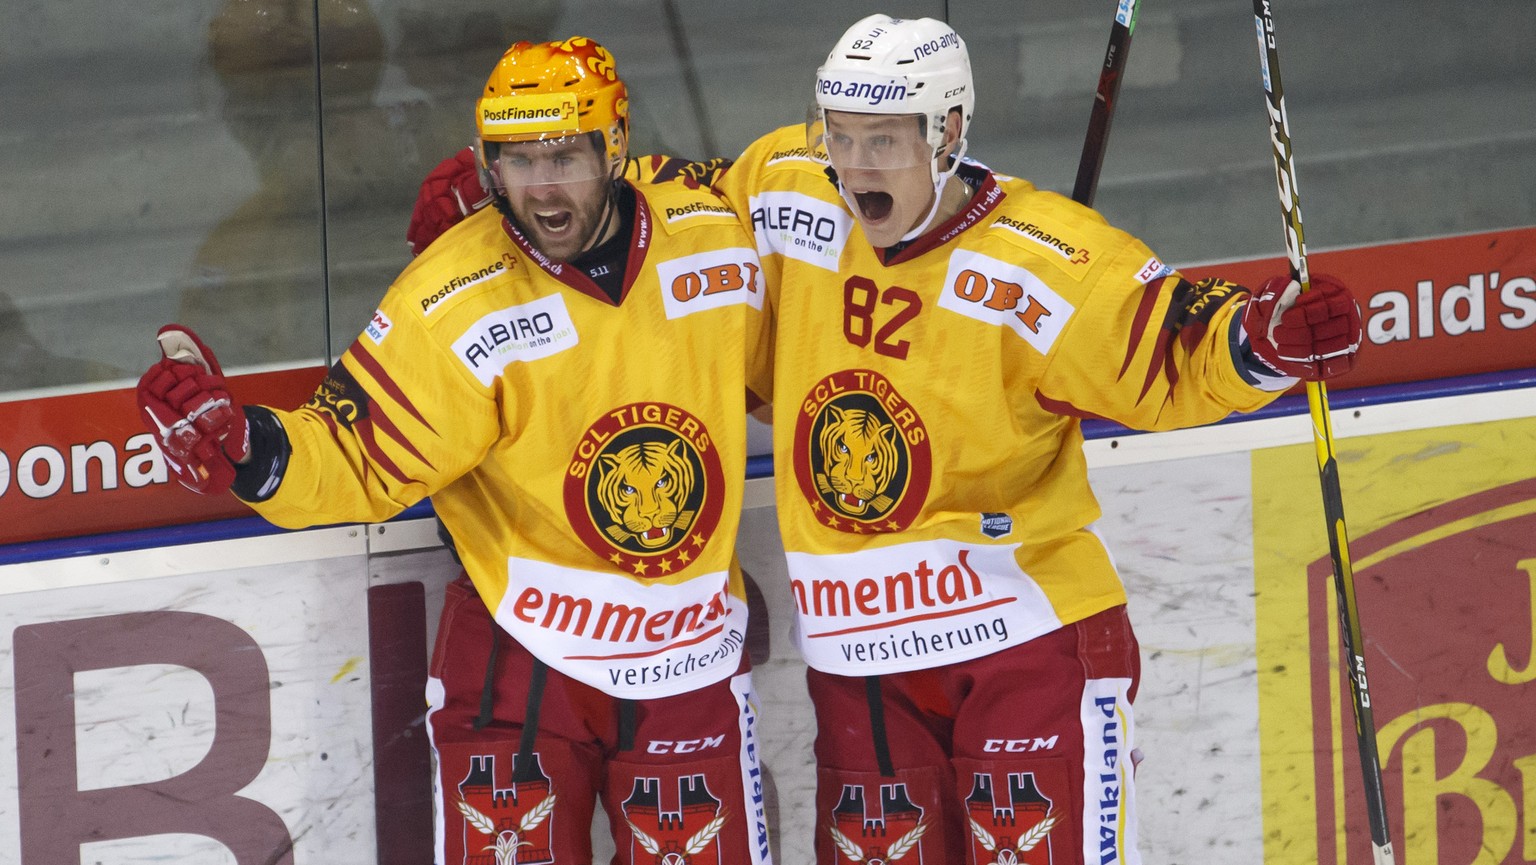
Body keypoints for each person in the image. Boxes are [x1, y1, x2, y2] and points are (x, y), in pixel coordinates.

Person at [403, 15, 1363, 864]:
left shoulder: (1042, 255)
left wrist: (1265, 340)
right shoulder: (787, 188)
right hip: (864, 664)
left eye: (883, 140)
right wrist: (511, 207)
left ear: (947, 134)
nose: (855, 162)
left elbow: (1164, 337)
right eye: (842, 135)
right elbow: (668, 208)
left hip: (1022, 637)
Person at [137, 37, 775, 865]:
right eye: (516, 162)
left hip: (689, 659)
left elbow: (802, 332)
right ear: (485, 165)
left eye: (563, 156)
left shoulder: (715, 234)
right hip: (522, 655)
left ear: (615, 146)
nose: (543, 185)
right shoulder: (455, 293)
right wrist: (252, 448)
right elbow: (353, 452)